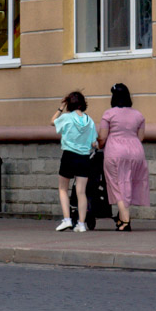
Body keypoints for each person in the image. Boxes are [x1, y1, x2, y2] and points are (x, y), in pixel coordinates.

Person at [98, 83, 150, 231]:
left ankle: (126, 221)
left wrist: (99, 145)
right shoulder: (138, 115)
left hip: (115, 151)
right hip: (136, 152)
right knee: (128, 184)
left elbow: (102, 137)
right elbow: (140, 137)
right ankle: (121, 219)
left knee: (116, 185)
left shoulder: (109, 114)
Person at [52, 91, 97, 233]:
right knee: (81, 192)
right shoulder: (90, 121)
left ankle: (67, 220)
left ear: (68, 103)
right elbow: (94, 143)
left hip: (69, 156)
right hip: (84, 157)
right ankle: (81, 224)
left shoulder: (66, 117)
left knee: (63, 188)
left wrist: (60, 109)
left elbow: (52, 121)